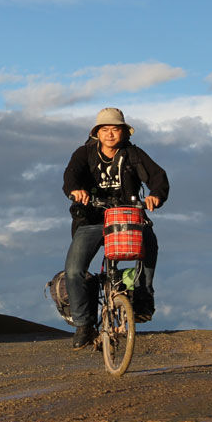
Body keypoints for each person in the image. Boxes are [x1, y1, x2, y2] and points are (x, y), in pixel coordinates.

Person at [62, 107, 169, 349]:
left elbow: (158, 176)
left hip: (127, 218)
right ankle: (84, 324)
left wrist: (156, 196)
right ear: (96, 133)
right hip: (91, 220)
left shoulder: (133, 154)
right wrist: (76, 190)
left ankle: (142, 297)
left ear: (124, 132)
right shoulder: (84, 153)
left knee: (149, 241)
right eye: (105, 129)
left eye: (115, 129)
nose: (110, 134)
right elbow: (71, 176)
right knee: (73, 270)